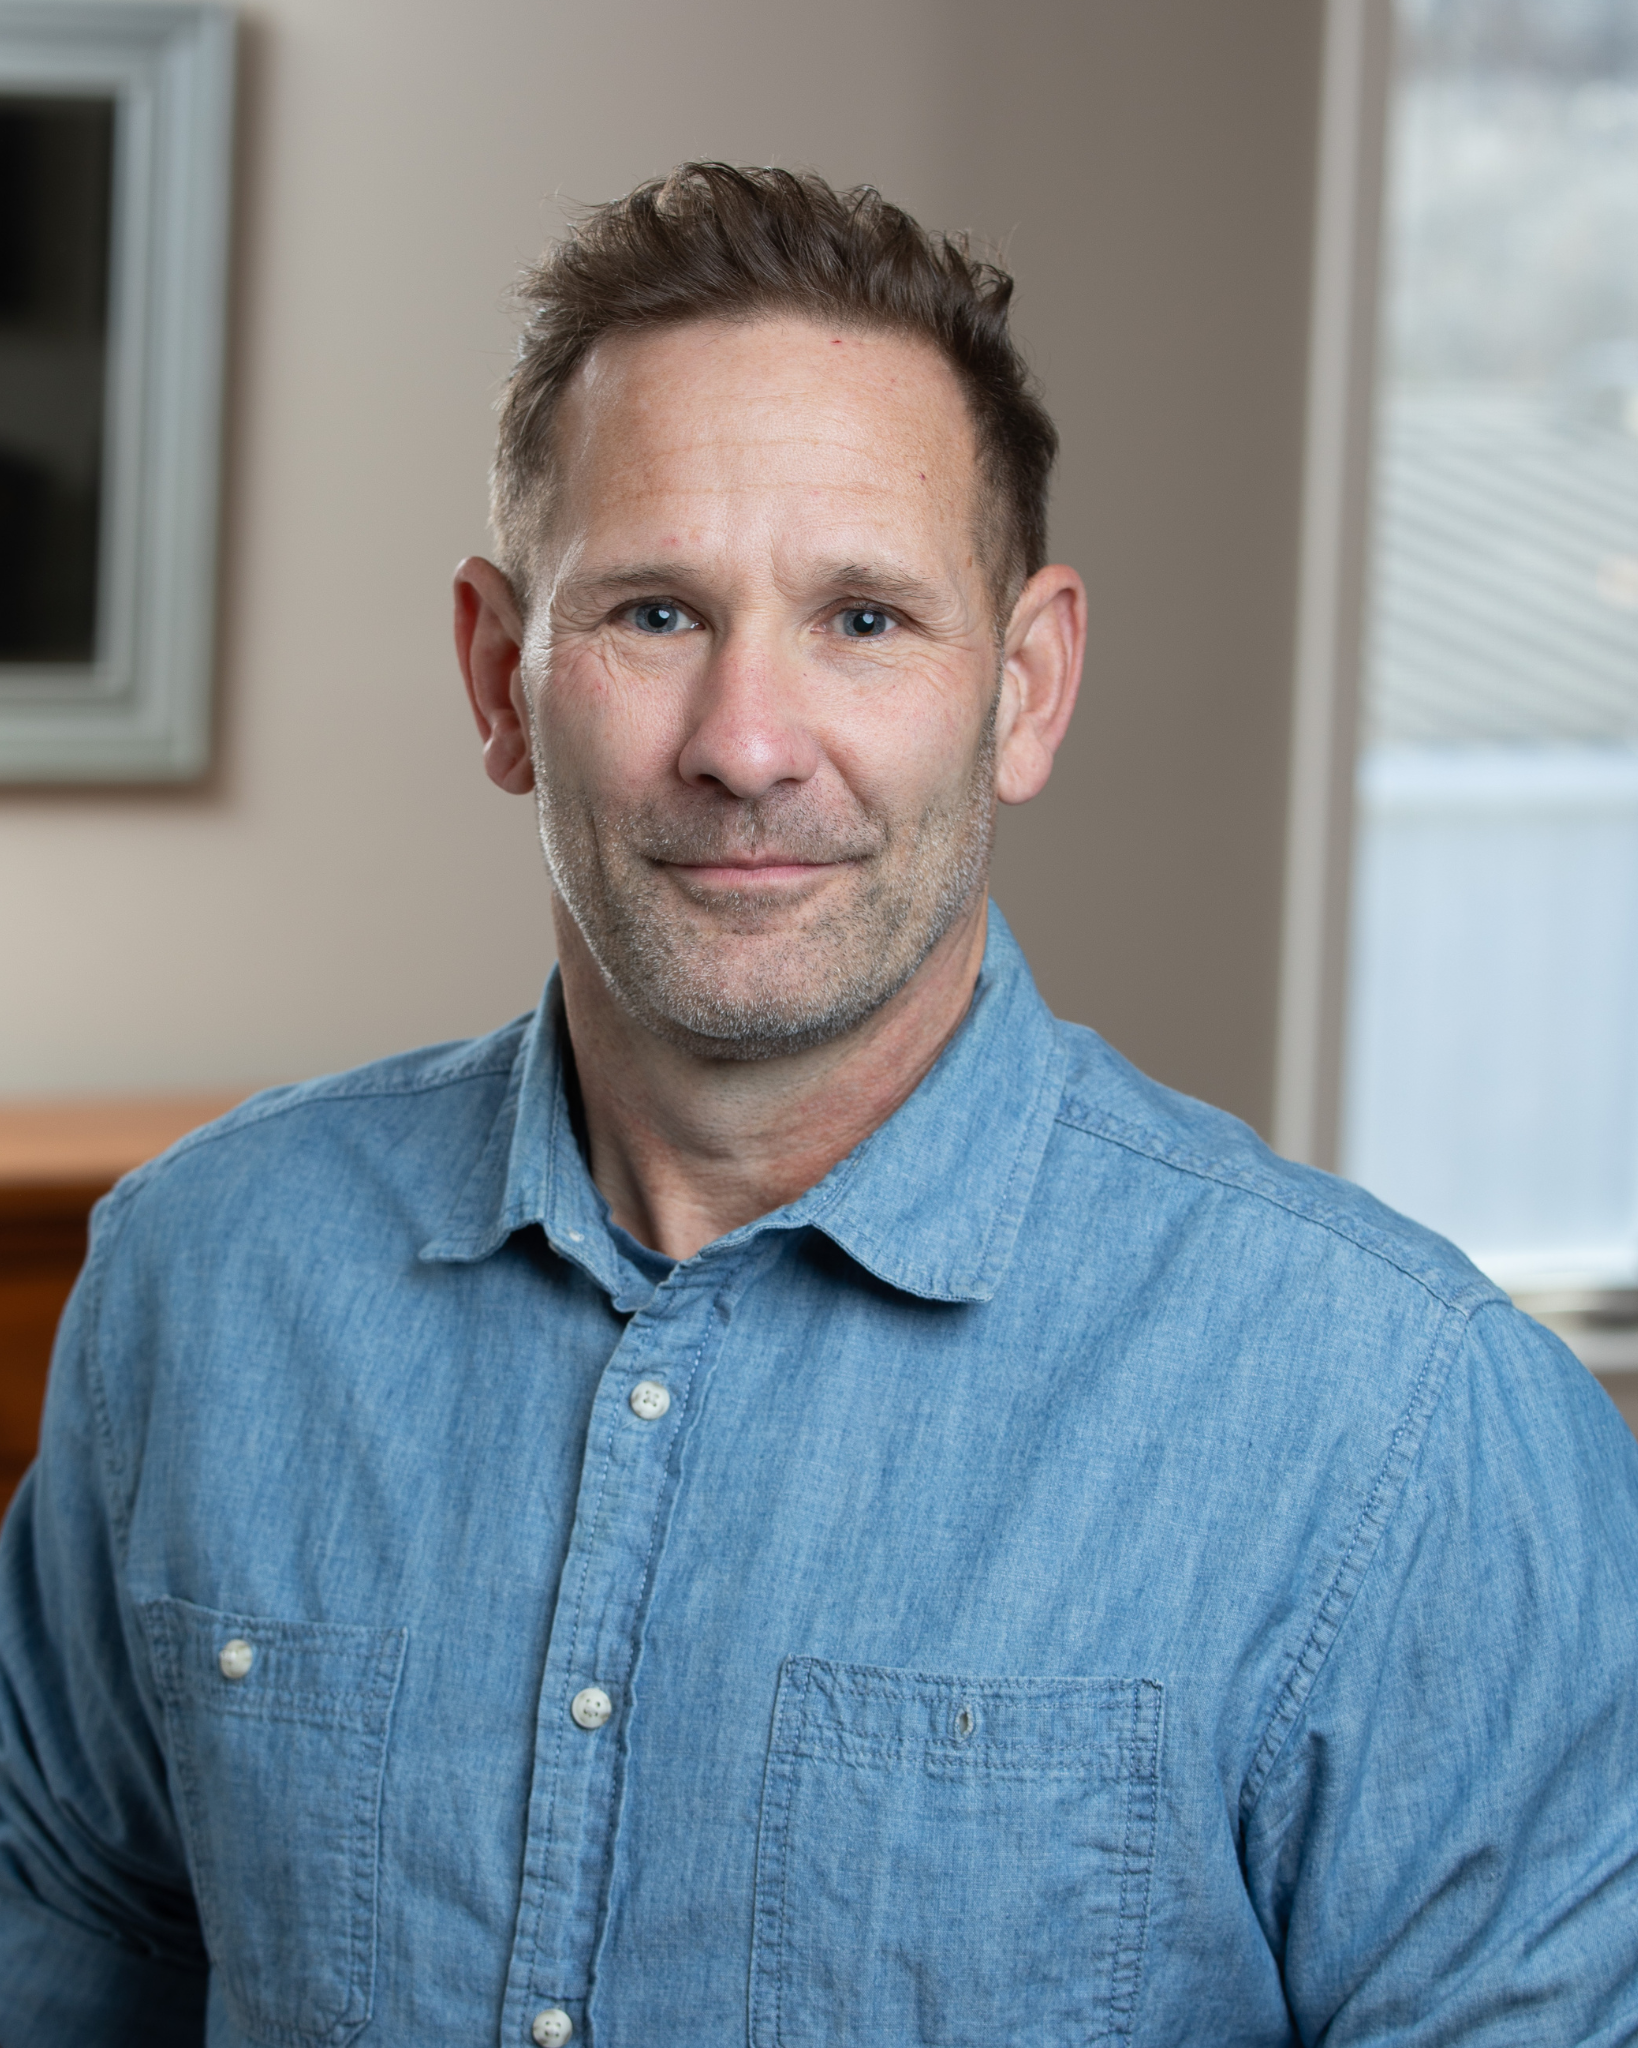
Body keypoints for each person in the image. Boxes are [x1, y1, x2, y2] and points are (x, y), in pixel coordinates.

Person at [2, 163, 1636, 2048]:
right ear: (499, 674)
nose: (747, 743)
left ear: (1021, 687)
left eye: (863, 618)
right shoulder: (195, 1291)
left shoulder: (1405, 1428)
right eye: (653, 612)